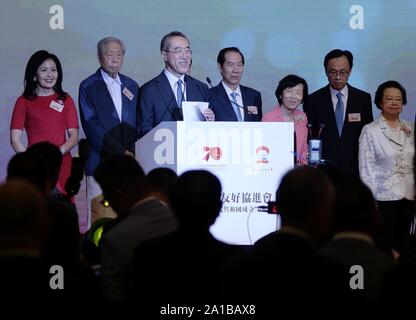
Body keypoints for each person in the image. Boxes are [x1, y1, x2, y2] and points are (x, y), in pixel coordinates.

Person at [93, 155, 177, 300]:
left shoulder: (115, 239)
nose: (110, 204)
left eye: (108, 197)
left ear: (119, 194)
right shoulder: (181, 221)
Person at [79, 36, 139, 229]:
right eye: (109, 54)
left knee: (125, 218)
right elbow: (91, 126)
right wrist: (121, 151)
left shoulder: (132, 86)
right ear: (99, 57)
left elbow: (137, 123)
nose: (115, 59)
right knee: (99, 219)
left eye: (119, 54)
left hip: (128, 164)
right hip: (100, 162)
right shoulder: (88, 86)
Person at [10, 50, 79, 196]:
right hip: (36, 165)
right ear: (34, 75)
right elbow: (15, 139)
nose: (50, 75)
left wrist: (56, 155)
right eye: (44, 70)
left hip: (62, 162)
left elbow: (74, 137)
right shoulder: (23, 101)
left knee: (63, 208)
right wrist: (30, 163)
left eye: (53, 70)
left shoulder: (66, 99)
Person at [359, 80, 414, 255]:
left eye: (399, 99)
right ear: (380, 103)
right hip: (383, 198)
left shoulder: (410, 128)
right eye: (389, 99)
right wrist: (370, 200)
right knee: (385, 247)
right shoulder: (371, 130)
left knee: (406, 245)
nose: (395, 103)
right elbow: (366, 168)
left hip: (409, 196)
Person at [303, 49, 373, 177]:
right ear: (325, 71)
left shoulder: (363, 99)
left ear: (350, 71)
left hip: (355, 169)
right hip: (324, 170)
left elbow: (368, 135)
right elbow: (310, 137)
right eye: (333, 72)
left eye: (343, 72)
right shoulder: (313, 100)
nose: (338, 77)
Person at [138, 31, 214, 137]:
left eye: (188, 51)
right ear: (164, 55)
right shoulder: (149, 90)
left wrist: (211, 122)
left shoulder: (201, 88)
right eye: (178, 51)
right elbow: (144, 129)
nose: (185, 56)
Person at [262, 74, 309, 165]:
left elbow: (304, 148)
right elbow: (266, 150)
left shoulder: (302, 117)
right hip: (276, 168)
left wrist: (304, 164)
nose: (293, 96)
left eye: (298, 93)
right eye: (289, 91)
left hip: (298, 171)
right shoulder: (269, 118)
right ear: (280, 94)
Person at [209, 47, 262, 122]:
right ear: (220, 67)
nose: (236, 70)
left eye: (239, 65)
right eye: (230, 65)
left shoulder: (253, 96)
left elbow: (258, 126)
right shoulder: (210, 96)